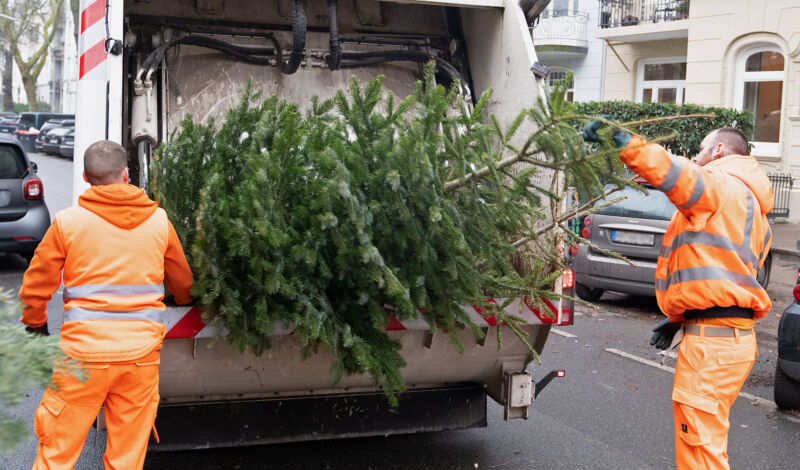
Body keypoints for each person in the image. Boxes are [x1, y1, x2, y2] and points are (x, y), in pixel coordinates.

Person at [583, 122, 772, 470]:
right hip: (731, 341)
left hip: (711, 349)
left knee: (700, 453)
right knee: (708, 444)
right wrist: (678, 319)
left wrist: (623, 141)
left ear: (718, 152)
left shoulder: (720, 184)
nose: (696, 157)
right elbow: (723, 274)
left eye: (701, 149)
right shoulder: (754, 211)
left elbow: (674, 173)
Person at [19, 140, 194, 469]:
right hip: (139, 359)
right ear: (127, 174)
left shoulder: (68, 223)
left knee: (57, 453)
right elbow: (183, 282)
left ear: (85, 177)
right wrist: (183, 300)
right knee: (126, 458)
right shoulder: (159, 221)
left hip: (81, 359)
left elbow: (37, 281)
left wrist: (36, 323)